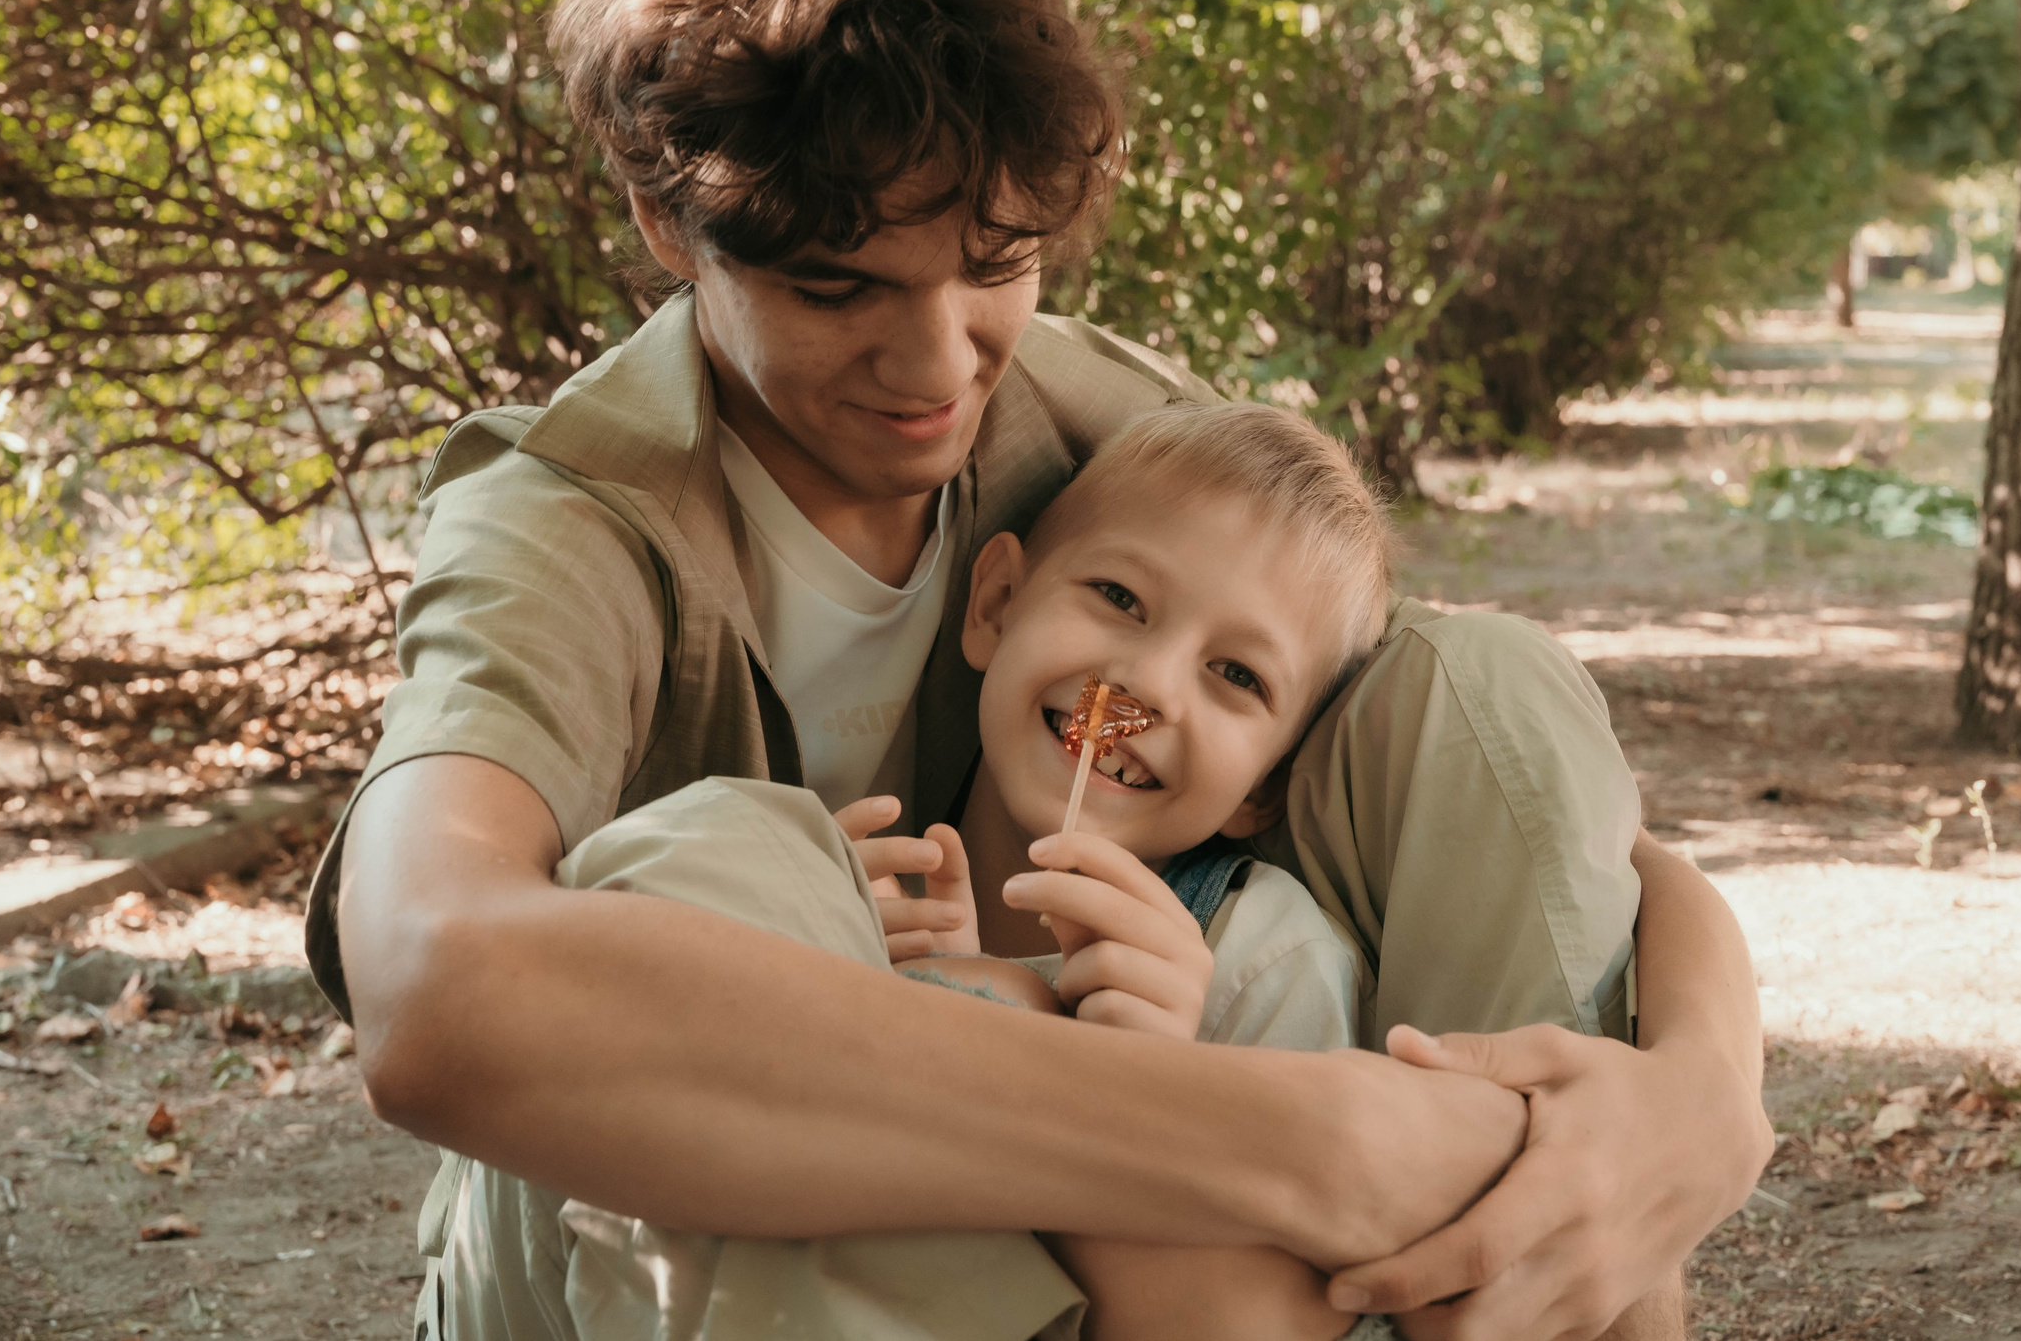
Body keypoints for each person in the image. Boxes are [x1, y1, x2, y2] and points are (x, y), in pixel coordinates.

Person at [313, 0, 1772, 1341]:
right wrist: (1295, 1141)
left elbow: (1528, 798)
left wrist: (1700, 1087)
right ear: (672, 224)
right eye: (839, 284)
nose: (938, 364)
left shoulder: (1092, 430)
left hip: (1065, 1251)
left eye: (995, 259)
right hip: (650, 1260)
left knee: (1476, 675)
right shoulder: (573, 512)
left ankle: (1550, 1281)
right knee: (737, 861)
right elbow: (432, 985)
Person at [428, 402, 1442, 1340]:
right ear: (995, 603)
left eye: (1237, 675)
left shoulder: (1261, 963)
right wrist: (830, 977)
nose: (1142, 683)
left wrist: (1146, 1082)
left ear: (1267, 787)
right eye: (1120, 597)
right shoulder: (861, 881)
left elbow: (1254, 1312)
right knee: (728, 843)